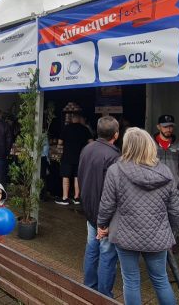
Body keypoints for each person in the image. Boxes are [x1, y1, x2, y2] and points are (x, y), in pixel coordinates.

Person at [96, 127, 179, 305]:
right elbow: (174, 210)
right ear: (150, 145)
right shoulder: (166, 172)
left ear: (127, 146)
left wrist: (102, 225)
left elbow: (107, 205)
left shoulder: (115, 170)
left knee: (131, 280)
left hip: (125, 234)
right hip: (158, 236)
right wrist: (171, 232)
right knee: (161, 279)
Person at [77, 116, 120, 298]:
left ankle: (88, 288)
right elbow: (113, 192)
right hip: (105, 215)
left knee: (92, 249)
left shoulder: (87, 149)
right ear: (116, 134)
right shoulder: (114, 156)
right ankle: (104, 296)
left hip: (89, 211)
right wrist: (106, 221)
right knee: (107, 255)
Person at [57, 113, 93, 205]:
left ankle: (65, 198)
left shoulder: (66, 128)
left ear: (72, 119)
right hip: (80, 157)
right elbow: (91, 142)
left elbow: (60, 142)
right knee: (77, 177)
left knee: (66, 177)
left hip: (67, 157)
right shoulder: (84, 129)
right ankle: (76, 198)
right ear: (79, 119)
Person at [153, 114, 179, 186]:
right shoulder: (150, 144)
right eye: (165, 127)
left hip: (173, 184)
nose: (168, 129)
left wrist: (178, 178)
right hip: (154, 183)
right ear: (158, 127)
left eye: (171, 126)